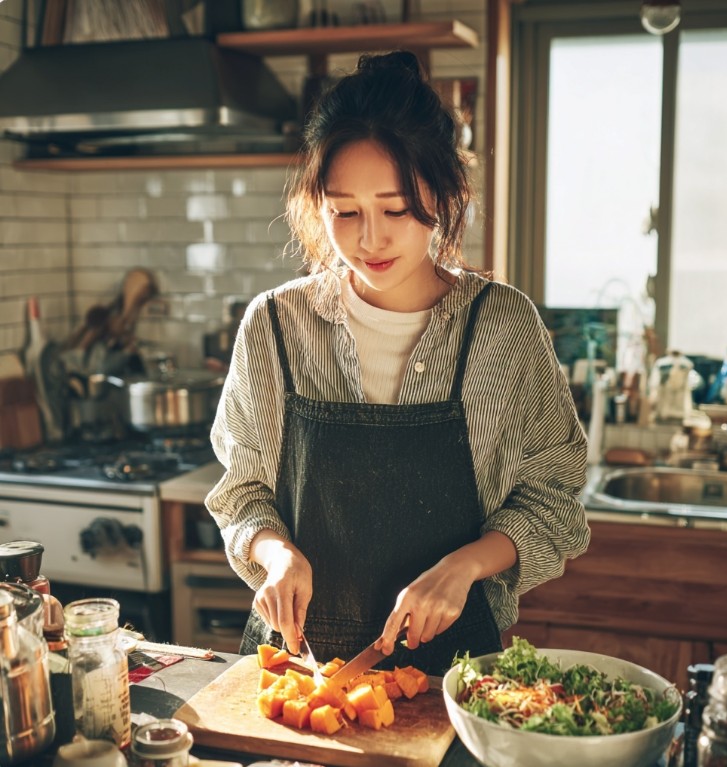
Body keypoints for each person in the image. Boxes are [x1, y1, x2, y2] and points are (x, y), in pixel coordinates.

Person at [205, 50, 590, 676]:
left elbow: (553, 498)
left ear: (444, 192)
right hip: (298, 667)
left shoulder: (503, 325)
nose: (371, 239)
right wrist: (276, 556)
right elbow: (242, 493)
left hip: (454, 672)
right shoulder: (275, 324)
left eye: (396, 208)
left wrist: (463, 567)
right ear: (317, 205)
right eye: (345, 212)